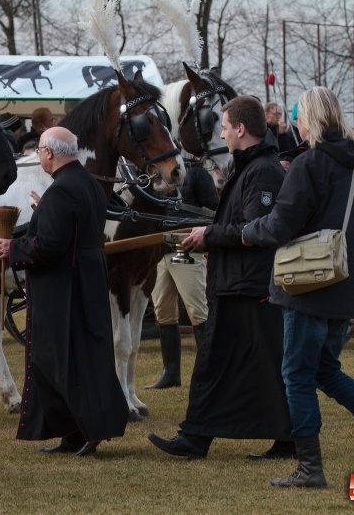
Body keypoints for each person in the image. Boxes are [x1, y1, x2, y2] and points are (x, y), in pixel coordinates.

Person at [242, 86, 354, 488]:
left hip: (308, 287)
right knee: (322, 368)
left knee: (298, 375)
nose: (296, 123)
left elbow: (281, 225)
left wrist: (249, 231)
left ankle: (310, 468)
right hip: (349, 285)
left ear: (310, 119)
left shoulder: (309, 164)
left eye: (299, 116)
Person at [148, 95, 294, 461]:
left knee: (241, 362)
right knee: (226, 362)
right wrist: (208, 231)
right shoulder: (249, 167)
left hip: (249, 284)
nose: (223, 133)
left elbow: (255, 229)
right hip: (236, 282)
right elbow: (237, 223)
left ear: (241, 129)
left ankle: (206, 437)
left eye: (226, 127)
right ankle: (199, 436)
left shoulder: (262, 171)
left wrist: (209, 236)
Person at [0, 126, 129, 456]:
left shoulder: (62, 190)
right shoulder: (86, 184)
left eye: (40, 150)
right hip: (86, 280)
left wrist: (13, 249)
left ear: (50, 154)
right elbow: (72, 228)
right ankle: (74, 433)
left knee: (58, 361)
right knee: (81, 358)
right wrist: (45, 212)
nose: (38, 155)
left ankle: (86, 431)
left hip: (64, 289)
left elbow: (50, 246)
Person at [145, 160, 219, 389]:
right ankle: (171, 372)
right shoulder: (150, 174)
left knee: (197, 309)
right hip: (159, 248)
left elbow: (213, 211)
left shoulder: (196, 173)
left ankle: (209, 373)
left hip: (182, 247)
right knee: (163, 311)